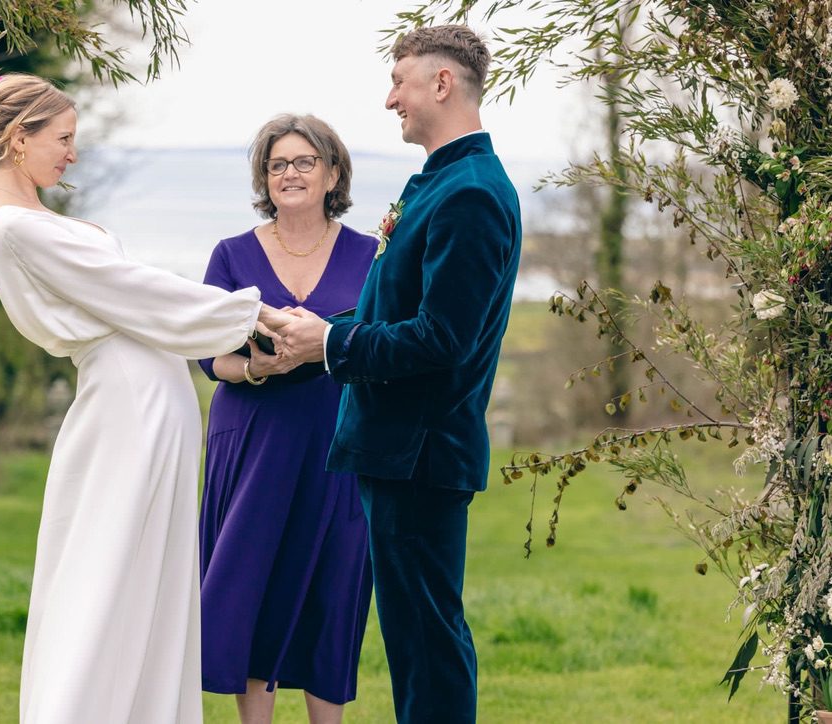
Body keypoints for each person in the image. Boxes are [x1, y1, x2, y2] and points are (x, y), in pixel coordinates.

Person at [0, 73, 293, 724]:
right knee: (105, 570)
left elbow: (129, 293)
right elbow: (133, 290)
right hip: (125, 410)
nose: (72, 153)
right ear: (18, 139)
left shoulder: (29, 218)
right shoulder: (17, 229)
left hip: (144, 402)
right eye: (63, 138)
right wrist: (254, 314)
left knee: (146, 573)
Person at [277, 26, 522, 723]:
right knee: (415, 640)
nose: (391, 100)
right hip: (400, 450)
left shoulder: (470, 194)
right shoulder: (445, 182)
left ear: (442, 84)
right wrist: (311, 336)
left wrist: (333, 344)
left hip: (421, 452)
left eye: (400, 81)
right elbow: (402, 307)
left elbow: (442, 339)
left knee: (427, 643)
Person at [196, 115, 374, 724]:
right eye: (277, 165)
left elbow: (384, 344)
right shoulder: (232, 254)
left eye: (303, 162)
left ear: (332, 173)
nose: (289, 174)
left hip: (338, 438)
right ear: (264, 179)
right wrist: (257, 369)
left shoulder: (373, 255)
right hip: (252, 439)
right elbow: (205, 354)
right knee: (254, 585)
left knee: (334, 582)